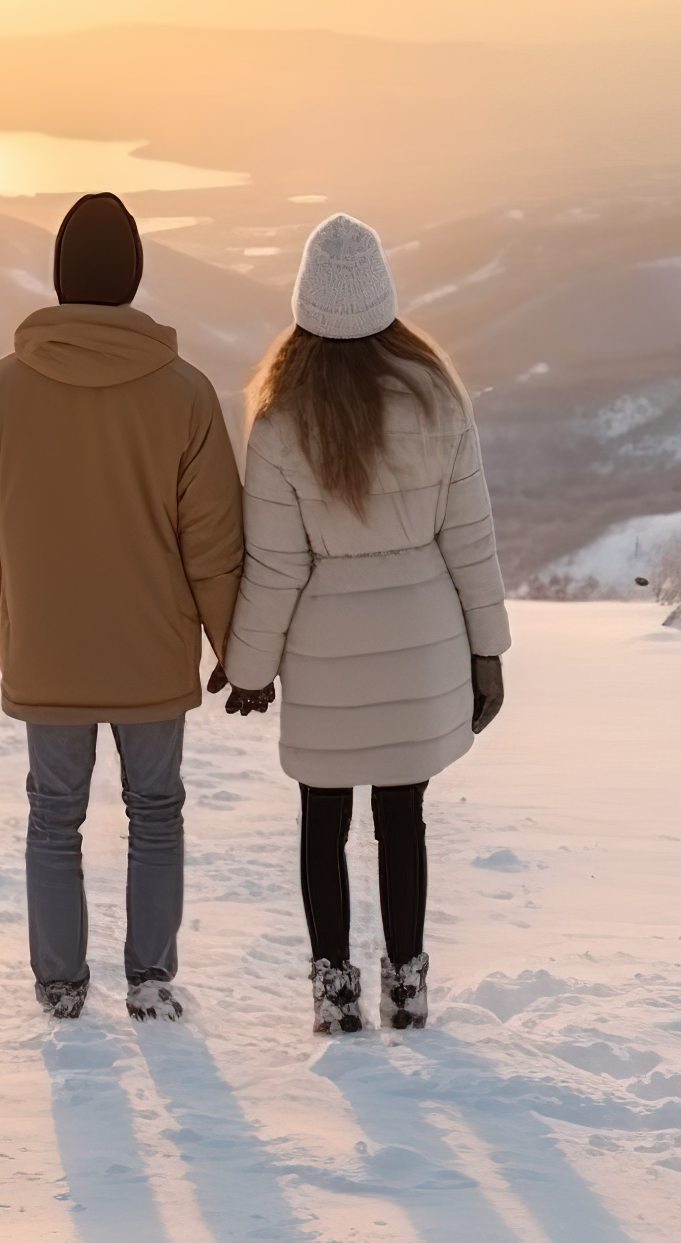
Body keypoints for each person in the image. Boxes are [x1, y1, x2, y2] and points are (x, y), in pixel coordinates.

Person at [0, 192, 243, 1022]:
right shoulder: (185, 395)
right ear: (134, 279)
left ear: (57, 280)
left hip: (44, 648)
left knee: (54, 817)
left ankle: (59, 985)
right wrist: (237, 647)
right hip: (150, 650)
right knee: (155, 813)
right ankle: (149, 980)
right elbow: (214, 543)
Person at [220, 213, 510, 1033]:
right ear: (384, 300)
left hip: (324, 655)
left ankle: (334, 994)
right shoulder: (438, 400)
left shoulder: (280, 423)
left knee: (323, 822)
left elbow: (276, 567)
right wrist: (488, 652)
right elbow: (471, 541)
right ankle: (408, 987)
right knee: (402, 819)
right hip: (423, 648)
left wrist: (249, 669)